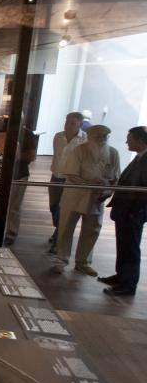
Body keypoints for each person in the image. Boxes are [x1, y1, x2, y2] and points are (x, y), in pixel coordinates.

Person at [51, 125, 120, 276]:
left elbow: (115, 177)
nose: (102, 140)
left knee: (92, 229)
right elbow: (71, 175)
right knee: (66, 228)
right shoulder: (78, 151)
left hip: (97, 198)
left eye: (105, 137)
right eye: (98, 137)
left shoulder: (113, 153)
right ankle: (60, 260)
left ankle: (83, 262)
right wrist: (91, 185)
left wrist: (107, 191)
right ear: (89, 137)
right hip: (75, 195)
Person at [99, 126, 147, 296]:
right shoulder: (140, 158)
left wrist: (137, 211)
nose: (127, 141)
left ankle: (128, 284)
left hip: (134, 211)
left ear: (140, 141)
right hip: (126, 210)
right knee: (123, 244)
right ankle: (122, 275)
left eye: (130, 138)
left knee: (130, 247)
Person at [48, 112, 86, 252]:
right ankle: (58, 229)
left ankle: (59, 240)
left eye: (72, 123)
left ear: (80, 124)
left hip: (70, 179)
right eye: (66, 121)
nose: (67, 125)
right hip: (56, 176)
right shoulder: (58, 137)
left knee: (64, 209)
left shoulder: (84, 140)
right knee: (53, 206)